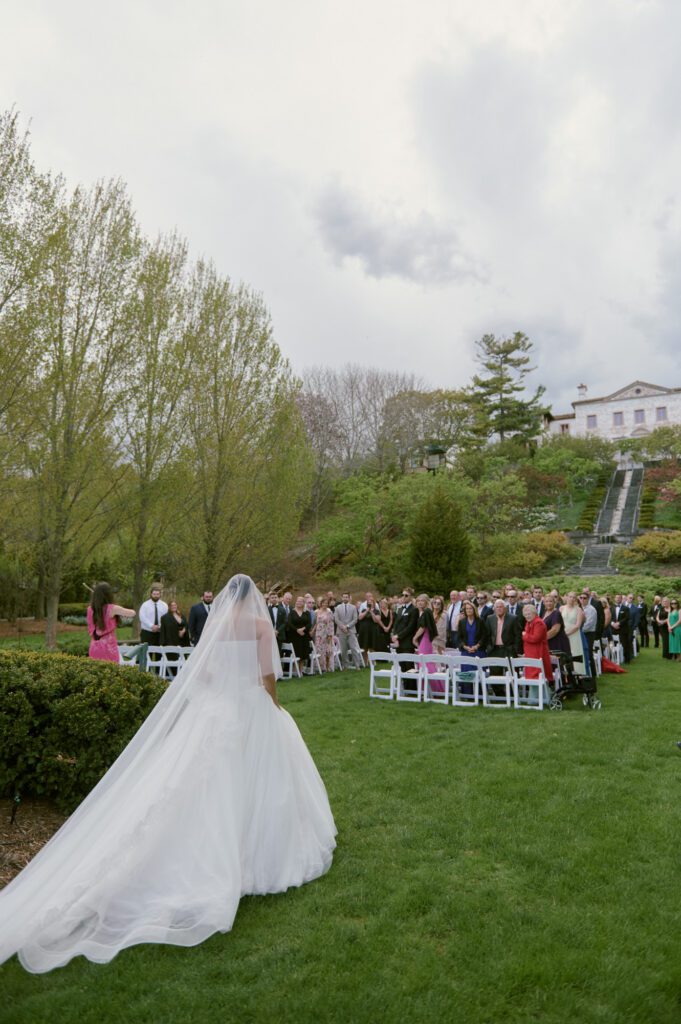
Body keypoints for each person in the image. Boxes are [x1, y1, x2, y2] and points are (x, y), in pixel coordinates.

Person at [0, 574, 336, 973]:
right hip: (251, 707)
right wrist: (273, 706)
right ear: (257, 599)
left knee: (206, 783)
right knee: (261, 781)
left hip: (219, 709)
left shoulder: (219, 624)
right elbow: (266, 677)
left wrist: (222, 692)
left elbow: (206, 672)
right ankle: (255, 854)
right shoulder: (262, 626)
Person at [87, 583, 135, 662]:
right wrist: (117, 607)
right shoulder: (112, 608)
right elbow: (132, 613)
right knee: (111, 671)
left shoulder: (90, 609)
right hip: (109, 647)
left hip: (94, 646)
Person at [521, 603, 552, 680]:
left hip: (538, 652)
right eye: (525, 614)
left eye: (529, 614)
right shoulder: (529, 623)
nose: (527, 616)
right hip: (531, 653)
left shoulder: (538, 622)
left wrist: (524, 635)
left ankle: (543, 692)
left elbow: (536, 638)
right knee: (532, 678)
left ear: (534, 613)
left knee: (539, 676)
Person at [392, 588, 419, 671]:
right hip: (399, 642)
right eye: (403, 595)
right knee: (402, 666)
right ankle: (404, 683)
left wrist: (398, 636)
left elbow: (410, 627)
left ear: (411, 597)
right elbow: (396, 624)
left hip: (407, 642)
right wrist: (394, 635)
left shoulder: (414, 610)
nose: (404, 597)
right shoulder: (400, 609)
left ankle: (411, 684)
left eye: (406, 595)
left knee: (409, 667)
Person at [333, 593, 363, 669]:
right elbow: (336, 619)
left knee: (353, 648)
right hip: (341, 630)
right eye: (344, 597)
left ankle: (357, 665)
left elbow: (355, 619)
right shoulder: (337, 608)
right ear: (342, 598)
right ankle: (345, 665)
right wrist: (342, 627)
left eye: (347, 597)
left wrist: (347, 626)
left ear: (349, 598)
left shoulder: (353, 607)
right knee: (343, 649)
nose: (345, 598)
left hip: (351, 630)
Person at [561, 592, 586, 673]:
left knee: (575, 653)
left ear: (575, 599)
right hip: (563, 634)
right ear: (567, 597)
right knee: (564, 654)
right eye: (570, 597)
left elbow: (578, 625)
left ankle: (578, 674)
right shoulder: (561, 608)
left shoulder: (579, 609)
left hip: (574, 635)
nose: (572, 599)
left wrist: (567, 633)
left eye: (574, 597)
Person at [542, 595, 571, 659]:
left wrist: (541, 638)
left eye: (551, 601)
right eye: (546, 601)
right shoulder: (544, 613)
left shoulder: (556, 613)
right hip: (549, 643)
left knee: (559, 666)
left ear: (554, 603)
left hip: (558, 643)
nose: (548, 603)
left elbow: (555, 630)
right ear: (544, 603)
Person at [288, 596, 311, 673]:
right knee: (296, 652)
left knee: (303, 654)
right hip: (294, 636)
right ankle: (295, 671)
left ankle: (300, 671)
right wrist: (297, 630)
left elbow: (309, 623)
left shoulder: (306, 612)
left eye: (301, 601)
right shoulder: (292, 612)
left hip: (304, 635)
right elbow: (289, 623)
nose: (298, 602)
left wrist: (303, 629)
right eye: (297, 601)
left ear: (303, 603)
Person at [313, 596, 335, 672]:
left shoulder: (329, 612)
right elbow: (316, 623)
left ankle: (328, 666)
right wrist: (313, 631)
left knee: (327, 650)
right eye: (323, 603)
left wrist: (330, 635)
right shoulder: (317, 612)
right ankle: (321, 667)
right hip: (319, 633)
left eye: (326, 603)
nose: (324, 604)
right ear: (321, 604)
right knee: (319, 650)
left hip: (326, 633)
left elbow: (331, 624)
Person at [357, 592, 377, 667]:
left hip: (372, 630)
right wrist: (367, 610)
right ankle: (365, 662)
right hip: (364, 630)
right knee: (364, 646)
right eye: (368, 602)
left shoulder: (376, 609)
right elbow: (359, 618)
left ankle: (372, 662)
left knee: (372, 646)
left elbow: (376, 620)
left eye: (371, 602)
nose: (369, 603)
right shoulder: (363, 608)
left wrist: (371, 611)